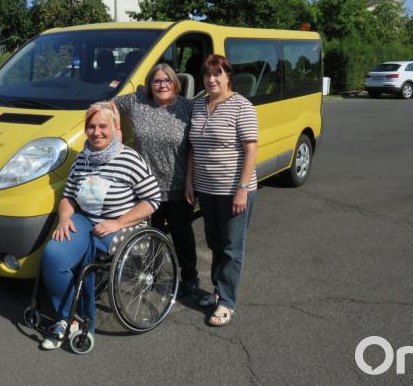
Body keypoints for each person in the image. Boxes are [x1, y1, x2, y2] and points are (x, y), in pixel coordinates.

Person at [39, 101, 161, 349]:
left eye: (103, 126)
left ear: (115, 127)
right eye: (91, 126)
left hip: (122, 224)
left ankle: (78, 318)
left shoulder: (130, 159)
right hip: (84, 220)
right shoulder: (82, 159)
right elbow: (69, 197)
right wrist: (64, 218)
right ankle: (68, 319)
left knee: (87, 257)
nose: (96, 132)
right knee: (53, 255)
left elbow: (152, 199)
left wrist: (118, 222)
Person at [113, 63, 199, 297]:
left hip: (177, 186)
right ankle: (151, 274)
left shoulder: (187, 107)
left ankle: (190, 277)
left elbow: (193, 148)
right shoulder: (137, 102)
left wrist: (191, 182)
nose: (162, 85)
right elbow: (108, 105)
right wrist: (117, 131)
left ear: (175, 83)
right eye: (157, 81)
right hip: (145, 188)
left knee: (182, 235)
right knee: (150, 234)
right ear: (150, 84)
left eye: (167, 80)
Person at [186, 54, 258, 327]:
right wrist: (190, 181)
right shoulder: (198, 105)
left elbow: (251, 149)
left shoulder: (242, 107)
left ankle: (227, 302)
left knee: (231, 247)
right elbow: (193, 148)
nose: (211, 79)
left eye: (217, 74)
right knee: (215, 243)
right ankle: (218, 291)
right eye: (206, 74)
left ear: (228, 76)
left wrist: (241, 189)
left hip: (234, 190)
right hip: (206, 190)